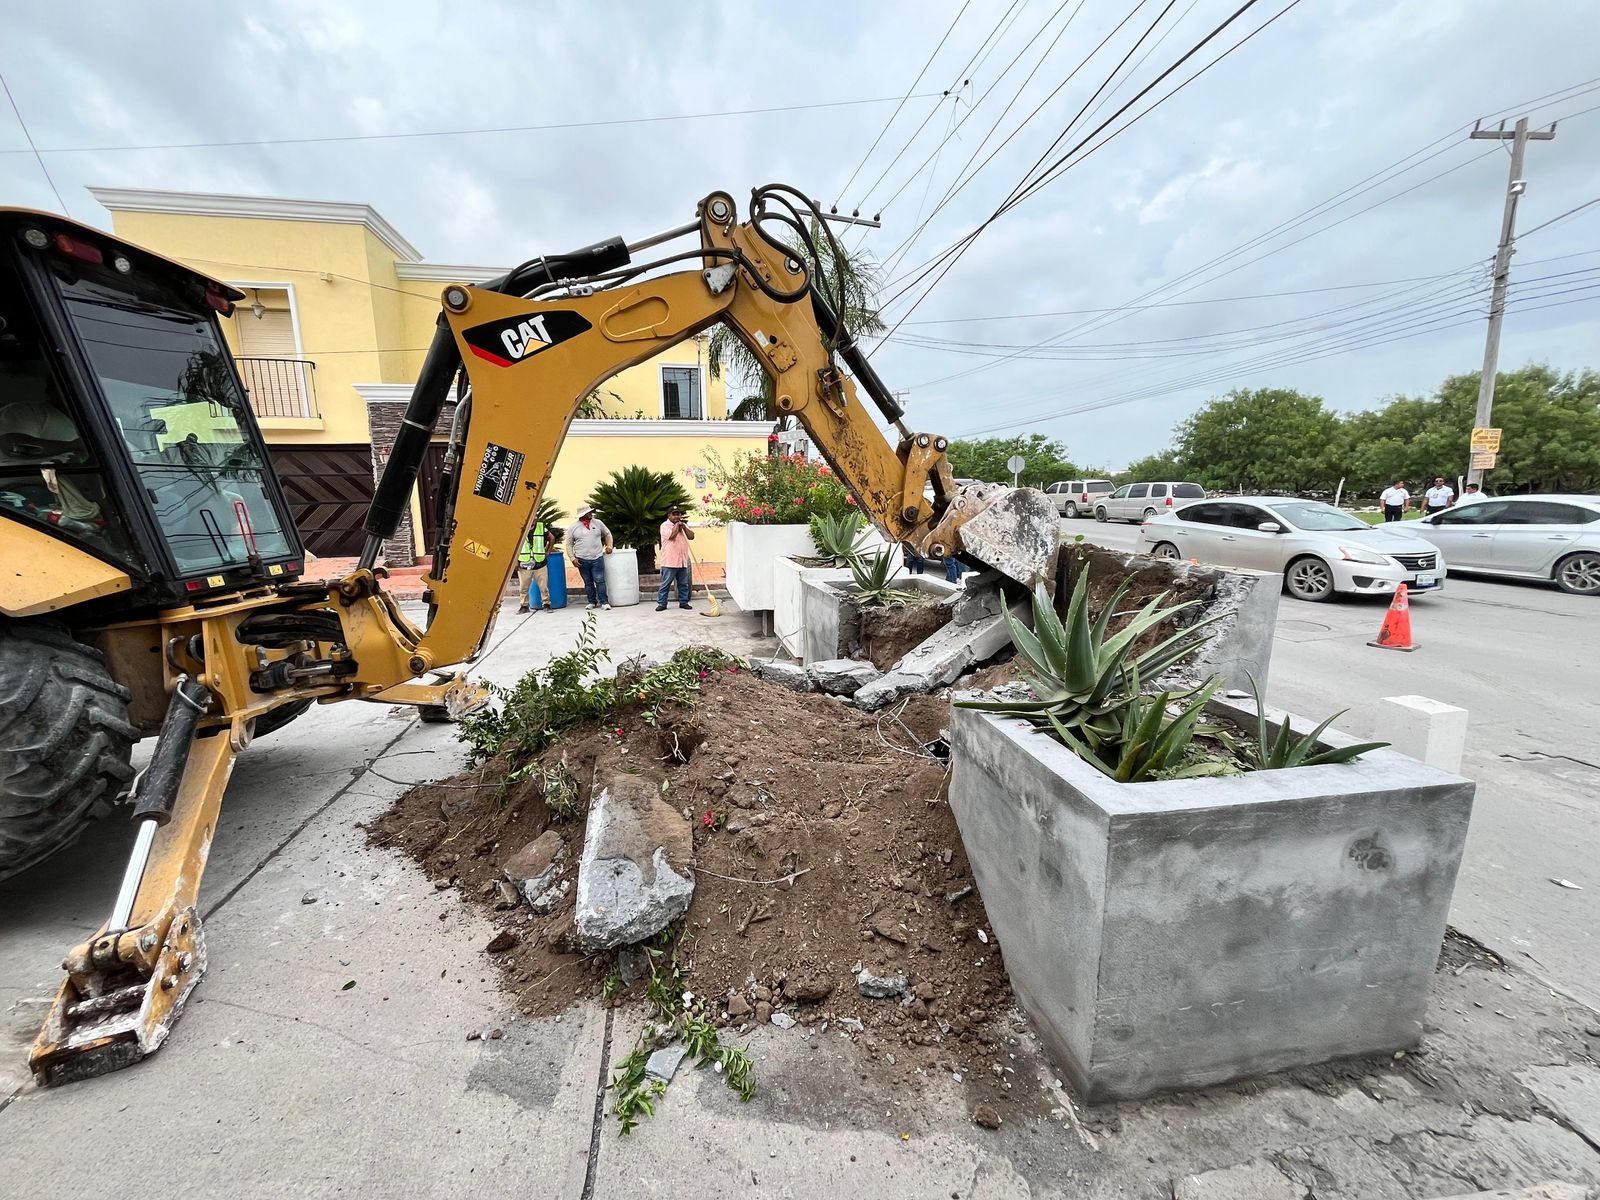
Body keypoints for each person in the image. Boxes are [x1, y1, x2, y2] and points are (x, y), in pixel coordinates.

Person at [567, 504, 613, 610]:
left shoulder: (598, 523)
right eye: (588, 512)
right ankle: (592, 602)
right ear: (583, 514)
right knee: (588, 582)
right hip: (581, 559)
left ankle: (604, 602)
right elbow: (569, 543)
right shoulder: (573, 527)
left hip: (597, 557)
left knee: (600, 580)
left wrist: (609, 545)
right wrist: (572, 558)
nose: (590, 513)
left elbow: (607, 534)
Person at [654, 505, 695, 611]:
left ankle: (683, 602)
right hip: (669, 561)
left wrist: (684, 528)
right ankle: (662, 603)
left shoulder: (683, 526)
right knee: (666, 584)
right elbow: (671, 536)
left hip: (682, 561)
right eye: (674, 514)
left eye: (678, 514)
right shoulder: (664, 526)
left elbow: (691, 536)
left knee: (683, 584)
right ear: (669, 515)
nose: (677, 516)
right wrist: (677, 526)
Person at [515, 519, 552, 614]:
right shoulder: (519, 527)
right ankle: (524, 606)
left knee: (543, 586)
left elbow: (551, 538)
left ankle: (546, 604)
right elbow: (513, 545)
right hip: (524, 563)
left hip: (540, 563)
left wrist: (548, 551)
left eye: (535, 516)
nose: (533, 519)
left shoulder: (540, 527)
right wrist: (515, 562)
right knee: (523, 587)